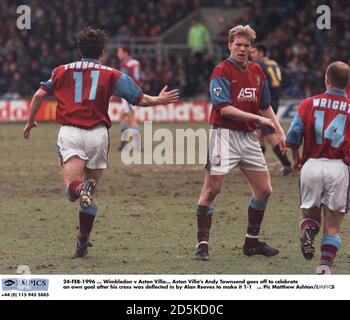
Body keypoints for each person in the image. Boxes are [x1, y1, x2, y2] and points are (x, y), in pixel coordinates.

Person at [23, 27, 179, 258]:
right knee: (91, 194)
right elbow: (140, 99)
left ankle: (79, 190)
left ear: (79, 50)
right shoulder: (112, 73)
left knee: (71, 189)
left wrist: (30, 121)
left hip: (71, 132)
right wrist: (159, 100)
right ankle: (82, 242)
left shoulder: (60, 70)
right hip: (98, 135)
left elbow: (38, 95)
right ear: (102, 52)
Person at [195, 25, 286, 261]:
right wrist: (257, 119)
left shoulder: (257, 71)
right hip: (224, 135)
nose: (243, 49)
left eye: (246, 45)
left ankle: (251, 243)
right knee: (212, 189)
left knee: (264, 190)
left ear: (251, 48)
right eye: (238, 45)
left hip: (248, 138)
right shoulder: (221, 71)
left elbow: (265, 105)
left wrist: (279, 129)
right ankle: (202, 245)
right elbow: (224, 109)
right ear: (229, 45)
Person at [286, 61, 350, 275]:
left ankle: (308, 230)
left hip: (311, 165)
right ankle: (324, 267)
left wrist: (296, 159)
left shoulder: (307, 103)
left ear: (326, 79)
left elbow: (293, 136)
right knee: (332, 223)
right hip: (339, 167)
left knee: (310, 216)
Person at [250, 43, 292, 175]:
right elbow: (288, 79)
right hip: (274, 100)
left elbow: (256, 83)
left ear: (261, 53)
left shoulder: (259, 66)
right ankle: (257, 166)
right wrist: (279, 91)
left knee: (269, 135)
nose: (251, 54)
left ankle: (287, 164)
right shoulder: (274, 64)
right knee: (259, 133)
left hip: (265, 102)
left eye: (254, 52)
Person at [116, 45, 144, 151]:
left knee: (131, 118)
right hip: (135, 90)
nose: (118, 54)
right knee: (122, 115)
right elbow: (141, 77)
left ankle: (138, 145)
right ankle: (124, 143)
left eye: (120, 52)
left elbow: (123, 80)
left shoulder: (125, 64)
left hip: (128, 93)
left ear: (125, 53)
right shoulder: (136, 63)